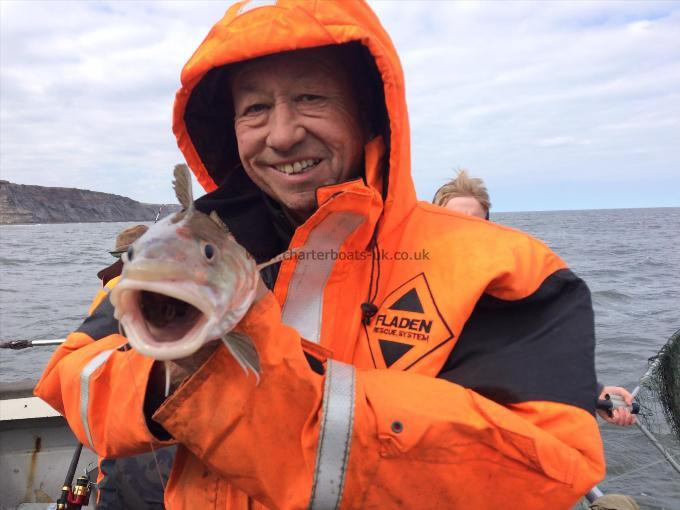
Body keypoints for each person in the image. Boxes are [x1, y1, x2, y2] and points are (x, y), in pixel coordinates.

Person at [35, 1, 605, 508]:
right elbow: (73, 377)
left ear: (368, 114)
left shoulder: (508, 270)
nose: (281, 135)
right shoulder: (179, 245)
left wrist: (235, 382)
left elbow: (543, 473)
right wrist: (165, 375)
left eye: (310, 97)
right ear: (230, 129)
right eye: (254, 109)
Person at [434, 175, 638, 428]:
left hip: (486, 425)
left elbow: (537, 352)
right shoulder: (403, 277)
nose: (465, 231)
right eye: (454, 221)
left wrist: (591, 393)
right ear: (433, 221)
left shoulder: (505, 288)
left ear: (489, 227)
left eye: (475, 223)